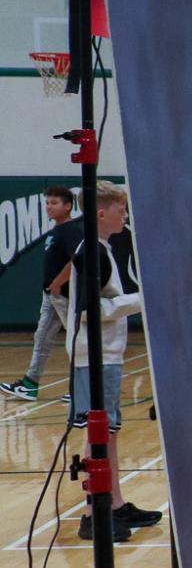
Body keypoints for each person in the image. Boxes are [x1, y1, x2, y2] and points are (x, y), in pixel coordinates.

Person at [65, 182, 161, 542]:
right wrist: (140, 300)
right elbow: (89, 311)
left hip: (107, 354)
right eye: (121, 209)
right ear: (101, 213)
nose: (125, 215)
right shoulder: (91, 251)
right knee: (99, 431)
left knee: (111, 430)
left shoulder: (101, 249)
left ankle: (115, 503)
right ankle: (93, 512)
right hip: (93, 356)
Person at [2, 186, 83, 402]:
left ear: (67, 206)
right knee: (42, 337)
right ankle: (30, 384)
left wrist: (58, 282)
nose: (49, 206)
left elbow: (78, 258)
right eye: (47, 203)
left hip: (64, 295)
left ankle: (84, 389)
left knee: (78, 340)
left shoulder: (72, 230)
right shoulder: (56, 230)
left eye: (54, 203)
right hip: (51, 295)